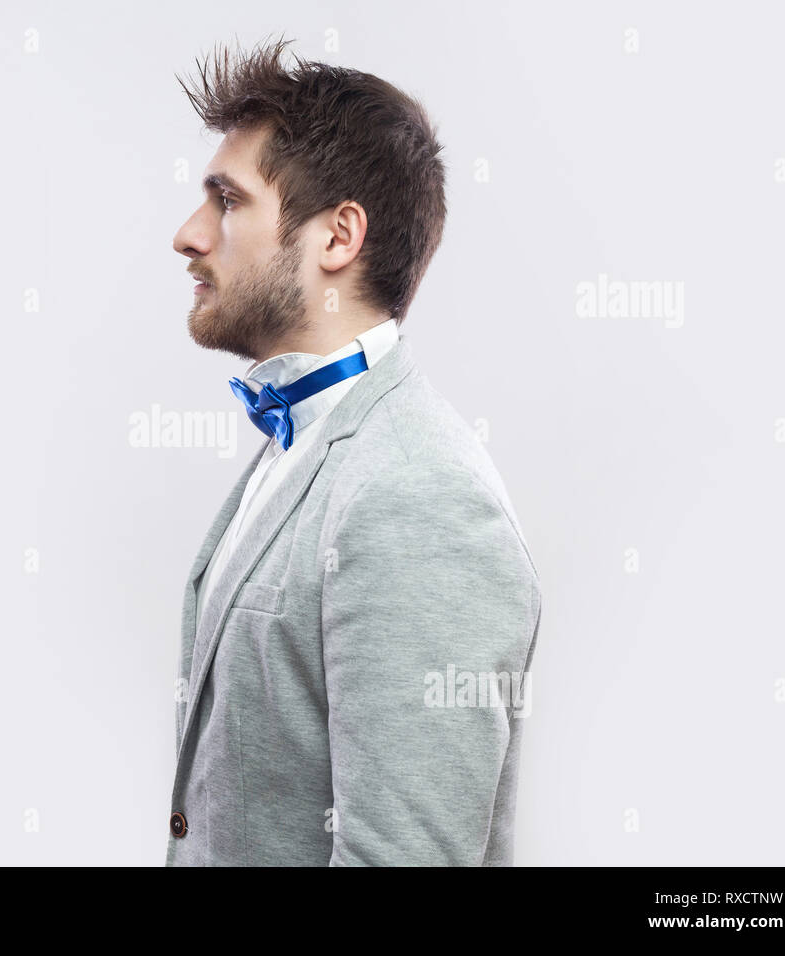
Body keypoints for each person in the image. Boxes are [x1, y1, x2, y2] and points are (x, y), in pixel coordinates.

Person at [166, 36, 543, 866]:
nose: (188, 235)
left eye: (227, 201)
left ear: (337, 236)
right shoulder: (301, 445)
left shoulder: (417, 493)